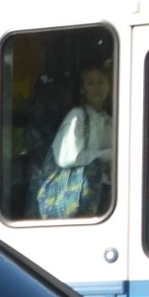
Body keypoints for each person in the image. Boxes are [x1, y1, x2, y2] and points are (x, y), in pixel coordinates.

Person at [36, 64, 113, 220]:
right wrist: (106, 155)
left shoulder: (110, 121)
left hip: (105, 195)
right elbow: (68, 157)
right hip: (79, 195)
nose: (97, 87)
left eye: (101, 81)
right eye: (91, 83)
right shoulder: (77, 116)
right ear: (82, 89)